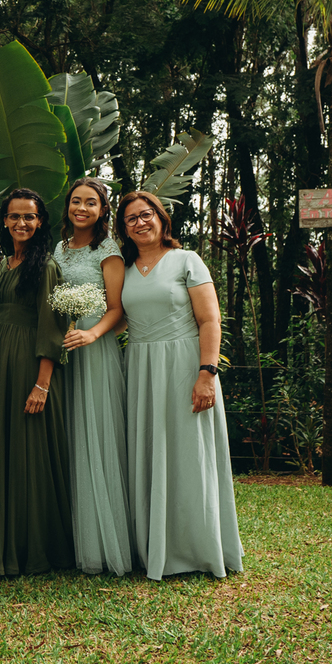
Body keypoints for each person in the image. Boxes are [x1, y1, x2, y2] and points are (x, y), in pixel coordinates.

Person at [116, 190, 243, 580]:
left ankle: (199, 549)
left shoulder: (187, 260)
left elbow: (210, 320)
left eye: (146, 214)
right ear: (123, 228)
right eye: (131, 218)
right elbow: (115, 318)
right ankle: (153, 547)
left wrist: (207, 373)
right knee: (148, 453)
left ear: (161, 218)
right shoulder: (123, 269)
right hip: (140, 367)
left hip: (186, 366)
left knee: (190, 456)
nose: (140, 222)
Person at [0, 188, 73, 575]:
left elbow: (52, 327)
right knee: (3, 445)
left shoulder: (46, 265)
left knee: (27, 449)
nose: (22, 223)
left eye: (30, 217)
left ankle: (32, 546)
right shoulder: (5, 263)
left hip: (29, 363)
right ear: (4, 221)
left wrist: (42, 383)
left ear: (40, 223)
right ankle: (1, 540)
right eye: (15, 216)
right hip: (0, 359)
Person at [53, 177, 133, 576]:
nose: (81, 208)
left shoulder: (108, 249)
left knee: (94, 435)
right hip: (62, 349)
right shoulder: (58, 249)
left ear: (102, 210)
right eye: (76, 201)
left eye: (91, 203)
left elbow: (118, 308)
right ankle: (70, 537)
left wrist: (91, 333)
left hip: (94, 348)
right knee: (67, 435)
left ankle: (102, 544)